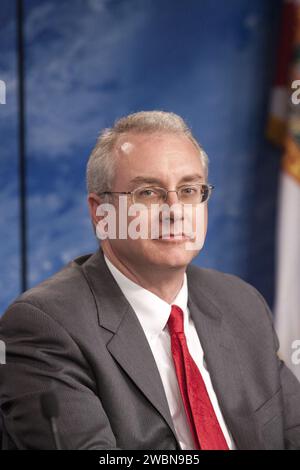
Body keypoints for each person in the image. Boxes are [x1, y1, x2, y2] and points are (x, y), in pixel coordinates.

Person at [0, 111, 300, 450]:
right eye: (148, 193)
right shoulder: (45, 327)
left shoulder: (240, 302)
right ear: (102, 213)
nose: (175, 210)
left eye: (189, 190)